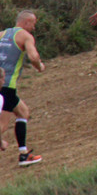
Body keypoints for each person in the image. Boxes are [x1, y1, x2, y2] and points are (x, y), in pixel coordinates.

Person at [0, 11, 45, 166]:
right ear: (26, 22)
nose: (33, 27)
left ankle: (24, 154)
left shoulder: (2, 34)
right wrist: (39, 66)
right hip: (7, 86)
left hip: (3, 84)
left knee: (23, 112)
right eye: (33, 23)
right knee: (2, 125)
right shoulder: (25, 37)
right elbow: (33, 57)